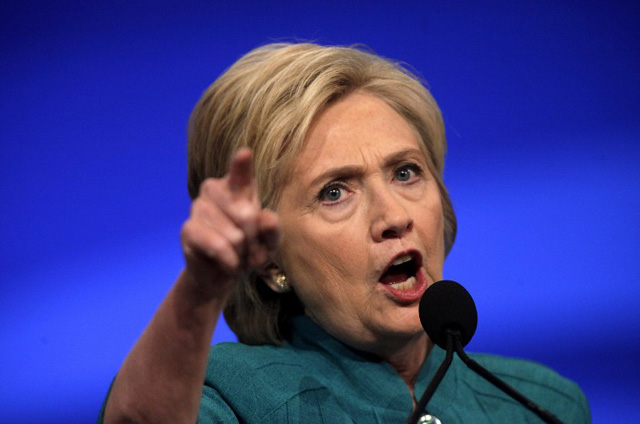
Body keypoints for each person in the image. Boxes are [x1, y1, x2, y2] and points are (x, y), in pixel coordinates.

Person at [100, 43, 590, 423]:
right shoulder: (224, 395)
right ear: (270, 261)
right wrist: (201, 288)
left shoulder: (541, 404)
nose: (394, 216)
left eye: (405, 172)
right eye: (334, 191)